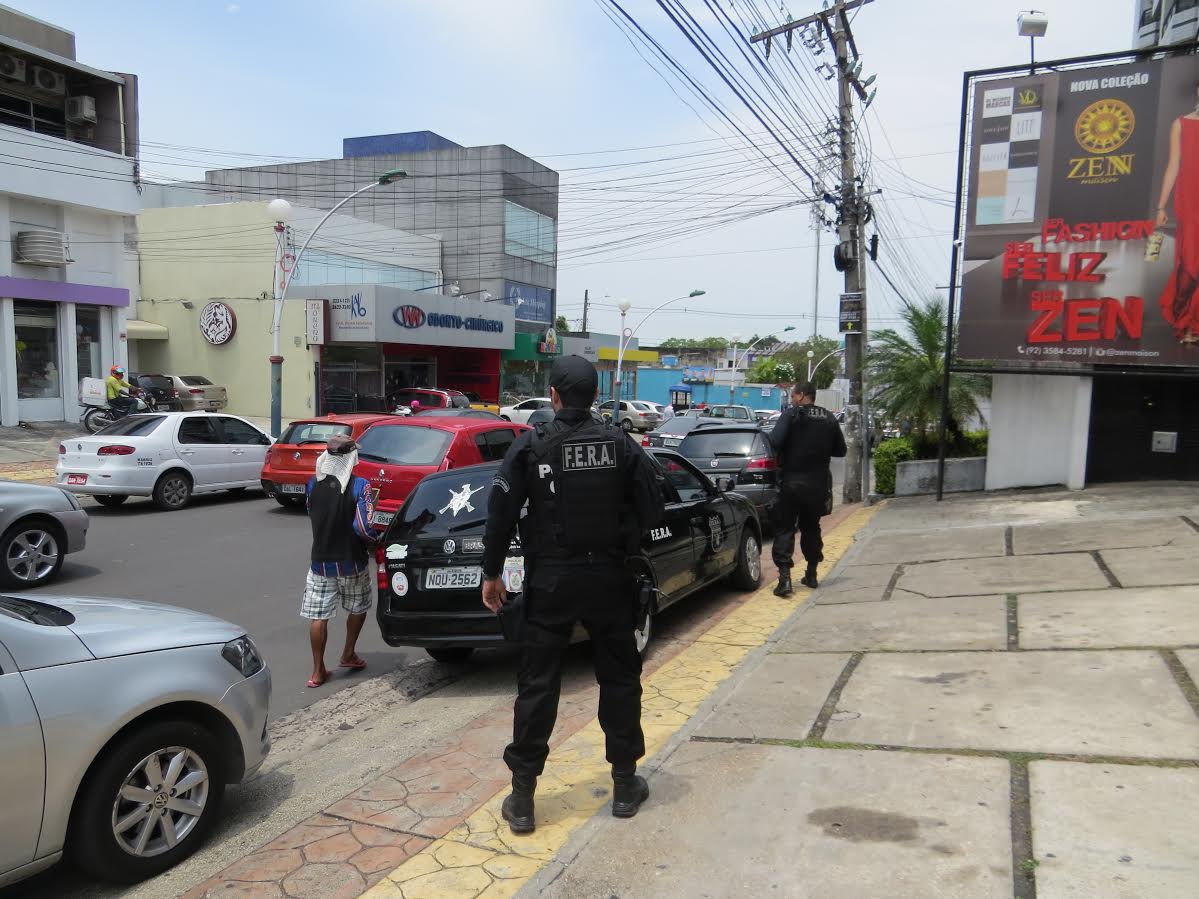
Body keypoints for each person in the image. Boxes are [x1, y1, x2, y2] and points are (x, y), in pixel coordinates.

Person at [481, 354, 663, 835]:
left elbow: (500, 513)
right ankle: (625, 784)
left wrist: (492, 573)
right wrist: (623, 542)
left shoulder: (531, 446)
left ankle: (522, 799)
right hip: (609, 580)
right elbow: (652, 504)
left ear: (556, 396)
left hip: (551, 582)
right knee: (620, 679)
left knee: (538, 684)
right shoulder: (621, 443)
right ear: (593, 396)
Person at [301, 434, 375, 688]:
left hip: (320, 561)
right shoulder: (360, 486)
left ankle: (317, 671)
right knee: (357, 606)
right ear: (351, 457)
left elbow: (311, 512)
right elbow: (363, 528)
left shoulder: (312, 484)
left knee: (318, 615)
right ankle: (348, 653)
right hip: (352, 562)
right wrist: (376, 541)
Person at [769, 382, 846, 596]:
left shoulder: (791, 415)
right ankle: (811, 574)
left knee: (785, 529)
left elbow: (774, 441)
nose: (792, 398)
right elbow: (840, 450)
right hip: (817, 484)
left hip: (791, 483)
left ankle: (785, 580)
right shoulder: (828, 418)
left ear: (802, 396)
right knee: (811, 527)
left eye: (794, 395)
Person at [1155, 81, 1199, 345]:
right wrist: (1161, 206)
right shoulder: (1181, 124)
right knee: (1190, 267)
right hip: (1190, 200)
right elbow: (1173, 166)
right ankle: (1182, 312)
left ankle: (1193, 326)